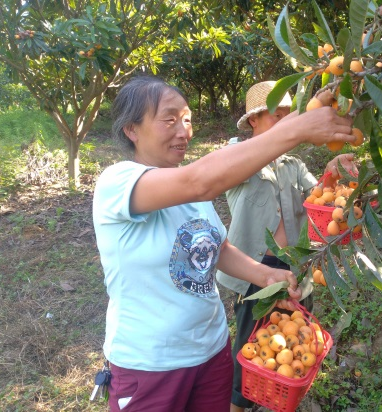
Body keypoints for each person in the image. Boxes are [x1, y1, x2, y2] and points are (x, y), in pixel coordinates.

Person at [92, 75, 355, 412]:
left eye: (187, 119)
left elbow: (218, 248)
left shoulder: (191, 189)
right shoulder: (118, 182)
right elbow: (202, 180)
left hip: (212, 351)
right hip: (151, 363)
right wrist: (298, 128)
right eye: (169, 119)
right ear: (132, 129)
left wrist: (265, 275)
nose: (184, 130)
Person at [215, 81, 358, 412]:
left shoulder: (292, 164)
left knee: (292, 342)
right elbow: (219, 172)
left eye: (289, 117)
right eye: (279, 117)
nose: (287, 125)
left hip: (297, 268)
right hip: (254, 270)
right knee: (251, 345)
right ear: (254, 120)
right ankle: (240, 406)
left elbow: (316, 196)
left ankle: (283, 395)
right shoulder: (237, 159)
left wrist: (331, 174)